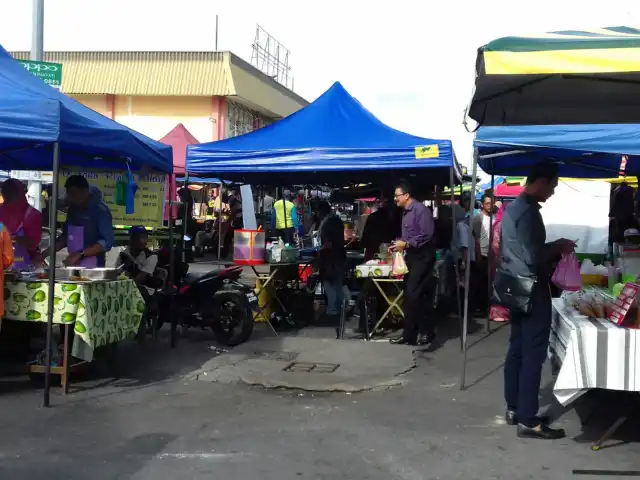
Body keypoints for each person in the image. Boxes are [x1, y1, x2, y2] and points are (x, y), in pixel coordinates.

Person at [500, 162, 575, 440]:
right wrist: (558, 247)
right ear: (541, 181)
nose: (553, 191)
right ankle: (528, 420)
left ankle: (514, 407)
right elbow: (532, 256)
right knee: (533, 353)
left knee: (517, 348)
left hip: (514, 287)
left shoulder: (514, 208)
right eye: (553, 185)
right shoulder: (529, 213)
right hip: (531, 288)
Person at [389, 182, 437, 346]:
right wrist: (399, 245)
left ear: (406, 195)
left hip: (423, 257)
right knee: (414, 295)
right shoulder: (405, 212)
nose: (395, 199)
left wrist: (407, 244)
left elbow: (426, 234)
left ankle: (422, 332)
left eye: (397, 195)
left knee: (414, 294)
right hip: (412, 257)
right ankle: (412, 333)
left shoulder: (420, 210)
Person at [39, 176, 114, 268]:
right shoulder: (73, 208)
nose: (71, 198)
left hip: (94, 266)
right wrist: (43, 254)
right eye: (69, 194)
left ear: (85, 191)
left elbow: (107, 242)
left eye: (74, 194)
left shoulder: (100, 211)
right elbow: (65, 237)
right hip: (72, 264)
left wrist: (80, 254)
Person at [0, 179, 43, 269]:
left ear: (19, 193)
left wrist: (13, 239)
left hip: (22, 263)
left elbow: (32, 243)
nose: (7, 197)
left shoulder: (32, 214)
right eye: (5, 193)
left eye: (11, 193)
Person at [316, 201, 346, 323]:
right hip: (339, 256)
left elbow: (328, 243)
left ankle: (332, 311)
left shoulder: (328, 224)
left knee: (329, 284)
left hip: (330, 259)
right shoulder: (337, 220)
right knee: (338, 284)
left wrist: (318, 251)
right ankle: (342, 309)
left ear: (322, 211)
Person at [360, 196, 400, 261]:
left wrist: (362, 245)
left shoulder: (373, 217)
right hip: (387, 247)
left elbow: (366, 233)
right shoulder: (392, 218)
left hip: (373, 247)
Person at [471, 193, 493, 313]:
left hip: (492, 254)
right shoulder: (478, 219)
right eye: (487, 203)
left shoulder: (494, 217)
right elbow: (477, 239)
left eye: (491, 203)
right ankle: (479, 308)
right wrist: (479, 256)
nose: (490, 205)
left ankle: (486, 306)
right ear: (482, 205)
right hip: (482, 254)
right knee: (481, 282)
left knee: (489, 282)